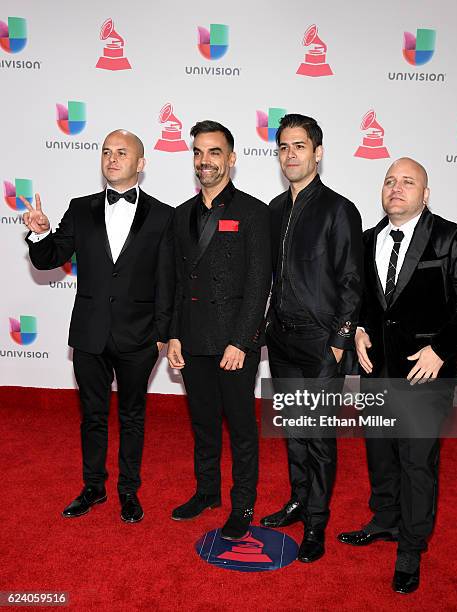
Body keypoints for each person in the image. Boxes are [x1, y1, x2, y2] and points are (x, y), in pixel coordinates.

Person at [337, 157, 457, 593]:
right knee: (381, 455)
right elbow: (369, 302)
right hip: (377, 373)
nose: (396, 187)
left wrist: (441, 349)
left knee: (416, 462)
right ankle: (385, 519)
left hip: (425, 377)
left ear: (425, 194)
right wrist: (362, 330)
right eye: (389, 181)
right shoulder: (368, 240)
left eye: (408, 182)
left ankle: (411, 545)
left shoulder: (451, 237)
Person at [22, 130, 174, 523]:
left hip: (139, 338)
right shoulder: (81, 207)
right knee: (92, 415)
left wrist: (159, 337)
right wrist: (39, 232)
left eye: (122, 152)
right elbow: (49, 258)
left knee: (132, 416)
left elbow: (167, 280)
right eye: (107, 152)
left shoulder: (163, 215)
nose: (112, 158)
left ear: (140, 164)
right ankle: (93, 487)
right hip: (89, 333)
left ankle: (128, 490)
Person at [260, 113, 363, 562]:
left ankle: (317, 524)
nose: (290, 155)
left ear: (317, 153)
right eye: (283, 147)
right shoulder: (273, 210)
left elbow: (352, 280)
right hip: (280, 341)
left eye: (299, 146)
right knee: (295, 431)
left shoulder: (340, 209)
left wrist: (339, 340)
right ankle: (299, 500)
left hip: (322, 344)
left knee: (319, 437)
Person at [167, 120, 271, 540]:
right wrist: (174, 334)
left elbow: (258, 283)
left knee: (242, 426)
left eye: (213, 152)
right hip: (192, 340)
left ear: (230, 158)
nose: (204, 160)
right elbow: (176, 280)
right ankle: (206, 492)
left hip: (234, 344)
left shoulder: (253, 211)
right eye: (198, 152)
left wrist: (242, 341)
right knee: (203, 422)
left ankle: (242, 502)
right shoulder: (181, 215)